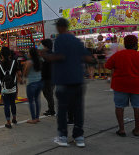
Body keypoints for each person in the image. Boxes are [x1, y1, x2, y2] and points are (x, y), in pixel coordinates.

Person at [43, 18, 95, 148]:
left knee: (62, 110)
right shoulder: (76, 41)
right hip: (78, 81)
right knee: (78, 110)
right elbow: (89, 58)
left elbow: (59, 56)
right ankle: (79, 137)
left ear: (60, 27)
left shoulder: (61, 39)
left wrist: (46, 56)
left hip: (64, 81)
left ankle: (63, 137)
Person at [105, 35, 139, 137]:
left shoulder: (118, 55)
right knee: (138, 107)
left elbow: (108, 66)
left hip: (120, 85)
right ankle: (137, 130)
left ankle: (122, 129)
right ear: (136, 44)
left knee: (119, 107)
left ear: (125, 44)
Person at [0, 46, 22, 128]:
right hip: (13, 86)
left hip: (3, 87)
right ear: (9, 54)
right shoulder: (15, 62)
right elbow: (19, 74)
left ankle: (8, 122)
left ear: (1, 55)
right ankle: (14, 118)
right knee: (13, 103)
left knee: (6, 104)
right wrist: (19, 79)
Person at [23, 48, 43, 124]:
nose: (27, 54)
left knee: (31, 101)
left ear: (31, 54)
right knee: (37, 100)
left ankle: (33, 118)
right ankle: (37, 117)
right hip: (40, 81)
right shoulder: (40, 60)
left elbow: (25, 73)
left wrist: (24, 76)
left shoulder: (29, 62)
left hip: (31, 83)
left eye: (28, 53)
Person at [41, 39, 55, 116]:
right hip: (52, 76)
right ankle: (51, 109)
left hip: (47, 77)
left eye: (42, 45)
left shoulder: (45, 55)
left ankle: (52, 110)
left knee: (48, 94)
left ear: (45, 46)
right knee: (49, 93)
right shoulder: (52, 54)